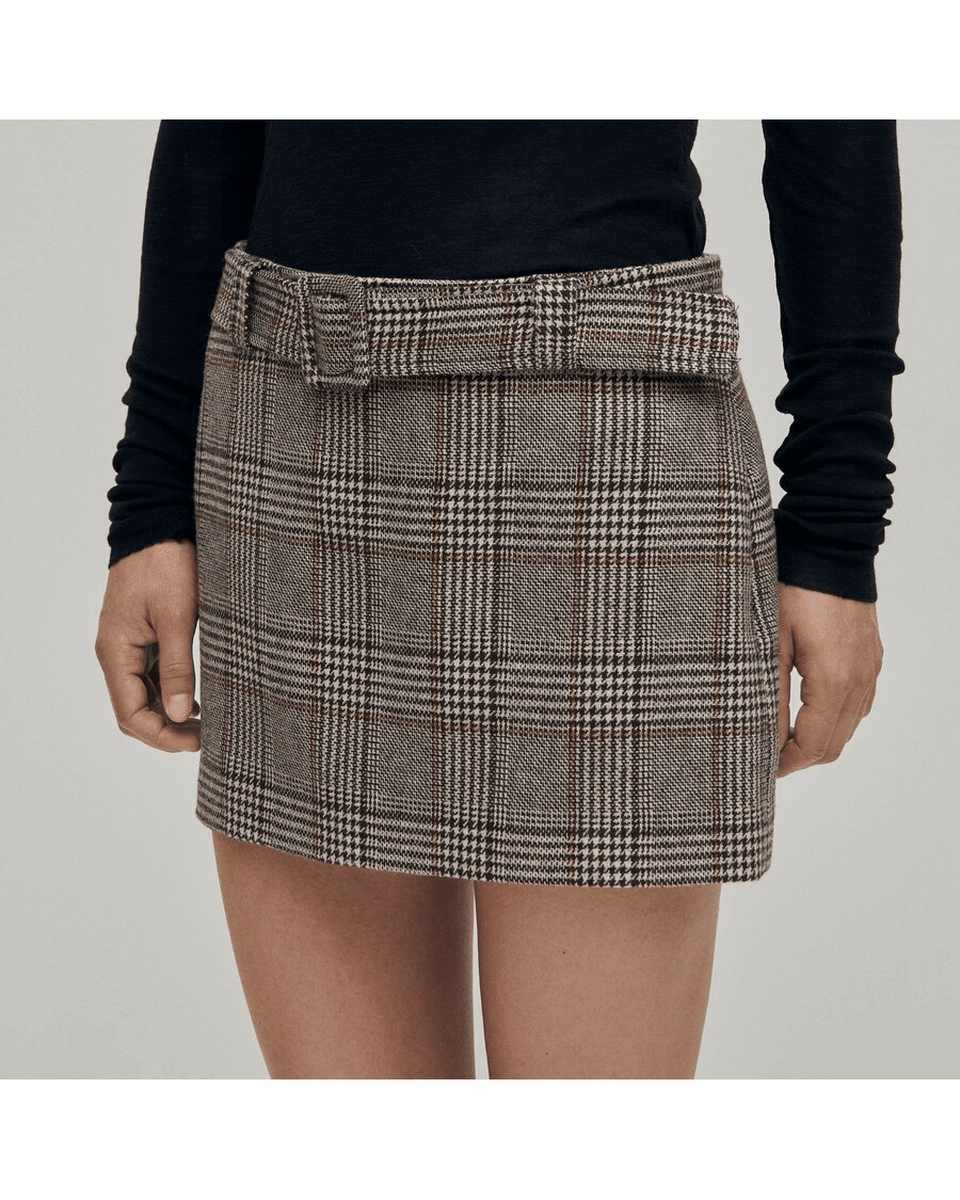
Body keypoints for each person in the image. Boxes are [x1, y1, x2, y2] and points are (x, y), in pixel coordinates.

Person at [95, 120, 903, 1079]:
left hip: (608, 436)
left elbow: (833, 120)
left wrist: (836, 529)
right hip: (296, 413)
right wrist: (151, 498)